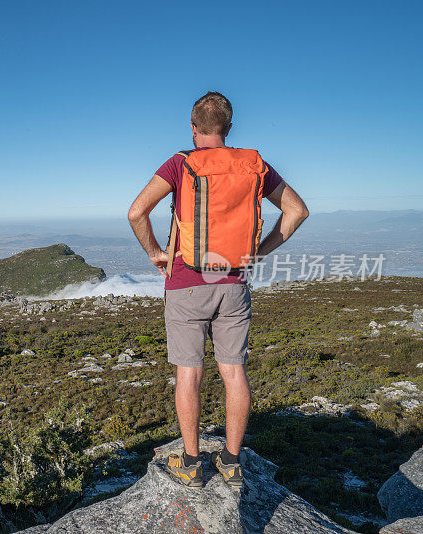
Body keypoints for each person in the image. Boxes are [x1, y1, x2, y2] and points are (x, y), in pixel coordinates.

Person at [127, 91, 309, 487]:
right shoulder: (255, 166)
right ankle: (230, 461)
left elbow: (136, 212)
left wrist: (157, 253)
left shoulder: (180, 163)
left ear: (193, 128)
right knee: (234, 372)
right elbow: (297, 211)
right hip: (234, 285)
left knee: (189, 376)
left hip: (186, 283)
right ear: (229, 129)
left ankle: (191, 464)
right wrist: (257, 253)